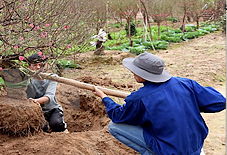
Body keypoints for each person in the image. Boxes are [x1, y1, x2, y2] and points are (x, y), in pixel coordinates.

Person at [93, 52, 226, 155]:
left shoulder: (139, 98)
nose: (132, 72)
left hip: (172, 151)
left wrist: (104, 97)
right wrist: (187, 104)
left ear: (143, 75)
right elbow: (220, 101)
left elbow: (117, 115)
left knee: (114, 126)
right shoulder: (185, 83)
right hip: (196, 145)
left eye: (135, 70)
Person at [26, 53, 67, 133]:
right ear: (29, 66)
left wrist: (35, 101)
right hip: (35, 110)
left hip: (51, 108)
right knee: (41, 127)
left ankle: (65, 130)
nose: (38, 67)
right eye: (35, 65)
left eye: (40, 65)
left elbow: (49, 96)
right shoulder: (26, 80)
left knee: (57, 124)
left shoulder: (52, 77)